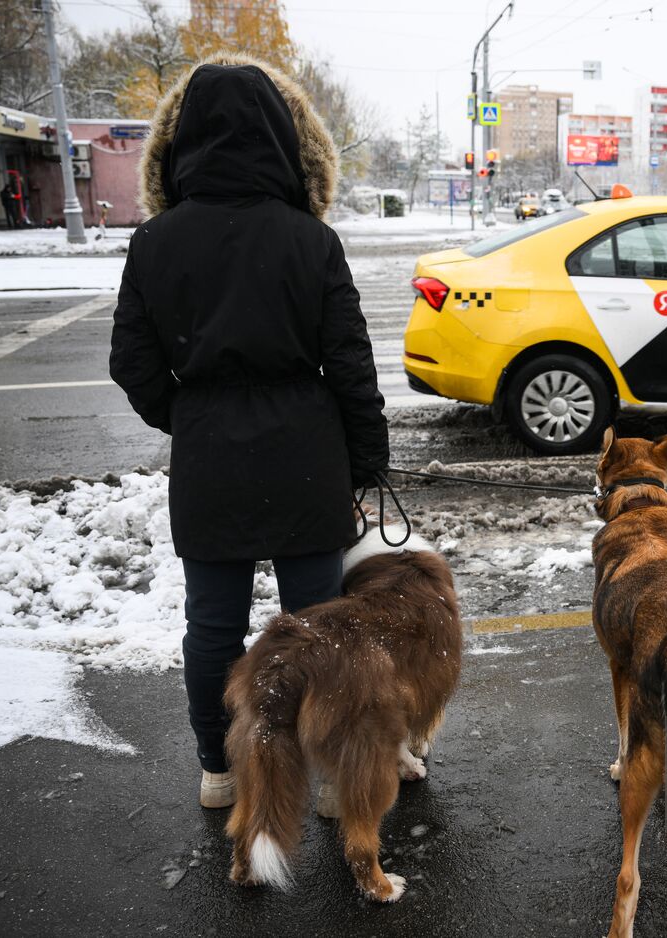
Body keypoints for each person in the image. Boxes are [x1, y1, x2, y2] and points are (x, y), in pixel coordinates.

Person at [109, 55, 388, 808]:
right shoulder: (310, 240)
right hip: (306, 452)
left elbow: (130, 362)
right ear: (282, 137)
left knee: (214, 627)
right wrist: (366, 459)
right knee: (322, 627)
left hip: (211, 462)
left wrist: (189, 416)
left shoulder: (156, 241)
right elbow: (351, 365)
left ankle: (220, 769)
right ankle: (330, 776)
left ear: (182, 141)